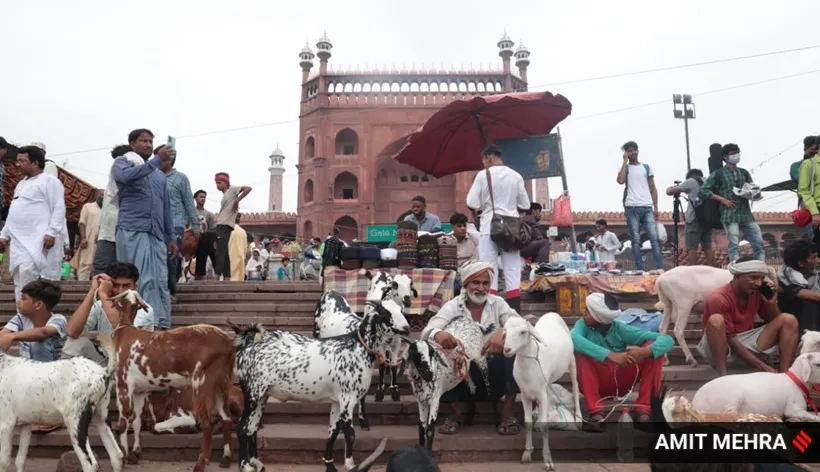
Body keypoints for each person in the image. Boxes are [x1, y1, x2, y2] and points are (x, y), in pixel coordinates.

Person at [419, 262, 523, 436]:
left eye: (485, 283)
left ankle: (507, 412)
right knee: (432, 354)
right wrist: (438, 334)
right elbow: (429, 329)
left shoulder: (497, 303)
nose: (481, 288)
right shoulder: (453, 306)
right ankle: (456, 413)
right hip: (460, 374)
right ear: (466, 284)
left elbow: (519, 324)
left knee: (514, 351)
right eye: (476, 283)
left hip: (493, 372)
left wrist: (503, 332)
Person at [571, 292, 672, 430]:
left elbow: (667, 339)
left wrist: (644, 352)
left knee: (654, 350)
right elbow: (574, 339)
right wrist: (610, 355)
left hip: (619, 382)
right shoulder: (582, 325)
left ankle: (643, 410)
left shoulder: (620, 328)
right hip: (593, 382)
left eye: (588, 311)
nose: (583, 313)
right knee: (581, 354)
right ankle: (596, 414)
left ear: (599, 317)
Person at [113, 129, 176, 330]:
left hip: (156, 235)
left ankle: (158, 323)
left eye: (150, 141)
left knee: (159, 281)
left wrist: (171, 237)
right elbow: (123, 177)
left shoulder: (159, 177)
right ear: (132, 144)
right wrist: (156, 160)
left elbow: (166, 209)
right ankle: (133, 325)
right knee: (137, 280)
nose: (148, 144)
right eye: (143, 141)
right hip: (133, 230)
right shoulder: (124, 162)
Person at [697, 256, 799, 377]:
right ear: (737, 276)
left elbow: (776, 321)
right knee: (716, 320)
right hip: (720, 348)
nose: (759, 283)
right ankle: (722, 376)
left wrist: (771, 304)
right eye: (754, 278)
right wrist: (762, 366)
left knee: (788, 319)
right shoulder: (718, 298)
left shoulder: (756, 293)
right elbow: (730, 339)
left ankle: (784, 376)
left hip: (744, 343)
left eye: (761, 278)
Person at [466, 145, 530, 313]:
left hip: (489, 226)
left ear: (488, 157)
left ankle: (491, 312)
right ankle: (514, 314)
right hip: (512, 229)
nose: (484, 165)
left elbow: (472, 203)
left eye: (484, 161)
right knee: (512, 270)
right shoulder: (516, 176)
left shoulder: (482, 175)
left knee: (489, 269)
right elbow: (525, 204)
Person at [0, 279, 67, 433]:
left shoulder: (58, 319)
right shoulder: (20, 319)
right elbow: (3, 335)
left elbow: (42, 333)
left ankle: (53, 415)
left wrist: (13, 337)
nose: (18, 302)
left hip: (56, 377)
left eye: (23, 298)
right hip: (27, 377)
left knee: (40, 344)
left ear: (38, 305)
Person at [0, 145, 66, 301]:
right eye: (18, 161)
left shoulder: (50, 181)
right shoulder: (21, 184)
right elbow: (14, 211)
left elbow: (58, 207)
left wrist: (52, 231)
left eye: (22, 161)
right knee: (19, 279)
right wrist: (4, 234)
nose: (18, 164)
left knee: (29, 275)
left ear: (35, 162)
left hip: (37, 240)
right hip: (18, 241)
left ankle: (33, 320)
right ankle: (22, 318)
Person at [63, 261, 154, 365]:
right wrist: (93, 290)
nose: (120, 291)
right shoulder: (101, 304)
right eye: (115, 285)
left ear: (135, 287)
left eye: (126, 286)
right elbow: (72, 331)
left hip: (133, 366)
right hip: (106, 361)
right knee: (74, 343)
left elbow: (123, 332)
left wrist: (103, 294)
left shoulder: (143, 309)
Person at [700, 143, 764, 263]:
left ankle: (759, 267)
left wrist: (754, 194)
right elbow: (703, 190)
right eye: (733, 153)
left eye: (738, 152)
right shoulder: (718, 173)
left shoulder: (744, 172)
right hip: (729, 213)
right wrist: (722, 199)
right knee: (734, 244)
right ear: (725, 157)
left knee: (758, 242)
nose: (737, 155)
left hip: (745, 213)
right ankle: (736, 268)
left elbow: (751, 187)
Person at [159, 146, 200, 300]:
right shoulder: (153, 177)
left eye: (161, 158)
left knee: (171, 259)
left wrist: (195, 226)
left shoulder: (180, 178)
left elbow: (189, 202)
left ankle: (170, 292)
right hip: (155, 225)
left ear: (169, 160)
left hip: (175, 225)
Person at [616, 141, 663, 271]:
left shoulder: (646, 167)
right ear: (626, 153)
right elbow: (620, 181)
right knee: (635, 240)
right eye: (629, 151)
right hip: (632, 206)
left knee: (654, 238)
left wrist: (656, 207)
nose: (633, 152)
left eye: (634, 149)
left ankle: (660, 268)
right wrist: (624, 162)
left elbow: (653, 188)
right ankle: (640, 269)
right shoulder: (625, 168)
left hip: (647, 207)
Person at [93, 144, 132, 277]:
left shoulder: (130, 180)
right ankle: (99, 296)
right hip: (106, 232)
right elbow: (106, 210)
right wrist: (100, 230)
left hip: (122, 231)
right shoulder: (111, 183)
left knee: (118, 268)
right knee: (100, 267)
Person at [666, 169, 714, 266]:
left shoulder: (691, 181)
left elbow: (670, 192)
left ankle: (693, 270)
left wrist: (673, 188)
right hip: (709, 220)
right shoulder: (708, 181)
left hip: (694, 220)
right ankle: (712, 269)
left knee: (691, 247)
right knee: (708, 248)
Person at [214, 172, 252, 281]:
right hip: (221, 224)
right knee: (224, 253)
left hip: (225, 225)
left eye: (220, 183)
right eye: (216, 183)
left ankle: (216, 276)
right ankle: (227, 277)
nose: (217, 185)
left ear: (226, 183)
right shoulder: (225, 194)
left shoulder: (232, 190)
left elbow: (248, 188)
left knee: (220, 252)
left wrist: (237, 200)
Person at [777, 239, 820, 334]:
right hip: (793, 320)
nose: (818, 261)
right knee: (810, 303)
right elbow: (808, 295)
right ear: (801, 263)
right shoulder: (784, 277)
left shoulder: (815, 273)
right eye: (814, 257)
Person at [74, 192, 103, 280]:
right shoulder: (88, 206)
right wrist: (83, 238)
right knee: (85, 264)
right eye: (101, 194)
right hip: (88, 241)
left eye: (104, 195)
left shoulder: (107, 209)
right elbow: (82, 222)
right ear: (96, 195)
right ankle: (81, 287)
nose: (102, 196)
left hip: (102, 241)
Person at [193, 189, 217, 280]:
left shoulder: (209, 214)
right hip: (193, 240)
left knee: (214, 258)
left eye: (204, 197)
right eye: (200, 197)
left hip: (206, 240)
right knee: (199, 264)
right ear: (195, 198)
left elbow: (212, 228)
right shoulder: (190, 212)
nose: (202, 199)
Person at [229, 213, 248, 281]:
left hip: (230, 258)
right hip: (240, 258)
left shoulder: (228, 230)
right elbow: (245, 248)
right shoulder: (243, 232)